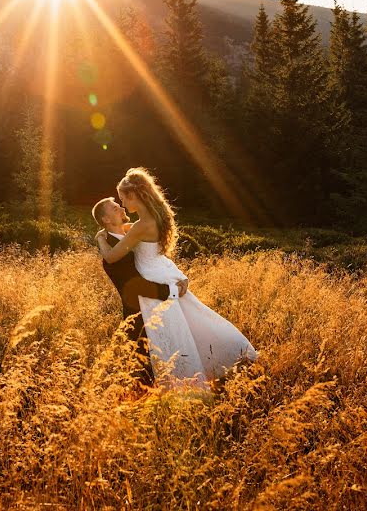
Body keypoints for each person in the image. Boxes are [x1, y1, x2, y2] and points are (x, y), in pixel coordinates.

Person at [96, 167, 257, 390]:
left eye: (123, 198)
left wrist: (101, 240)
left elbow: (112, 256)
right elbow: (125, 228)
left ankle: (180, 381)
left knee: (169, 333)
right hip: (164, 271)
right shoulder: (154, 217)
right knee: (194, 321)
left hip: (154, 278)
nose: (123, 205)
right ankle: (225, 357)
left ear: (133, 195)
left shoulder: (141, 226)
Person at [92, 196, 188, 386]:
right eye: (115, 208)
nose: (121, 208)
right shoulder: (113, 251)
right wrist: (172, 290)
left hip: (155, 312)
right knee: (145, 377)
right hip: (139, 320)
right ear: (106, 220)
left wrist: (178, 275)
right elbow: (136, 287)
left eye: (120, 205)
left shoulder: (130, 237)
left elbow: (154, 259)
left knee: (164, 368)